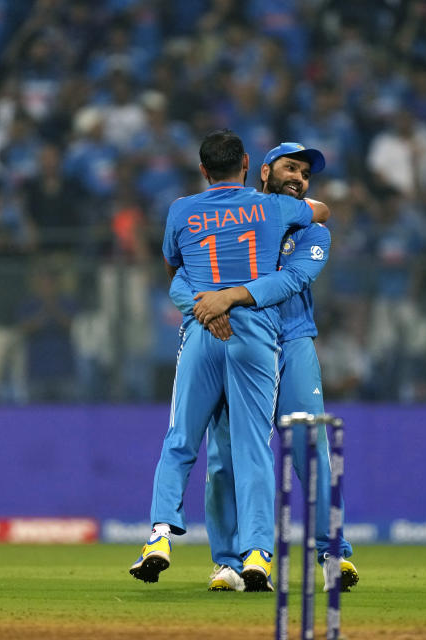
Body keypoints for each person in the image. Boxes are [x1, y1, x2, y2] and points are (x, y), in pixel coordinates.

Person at [130, 130, 330, 593]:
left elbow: (173, 271)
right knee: (252, 446)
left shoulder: (181, 209)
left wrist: (207, 305)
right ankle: (257, 551)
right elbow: (319, 213)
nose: (298, 177)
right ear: (248, 164)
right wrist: (231, 301)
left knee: (181, 439)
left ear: (202, 170)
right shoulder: (272, 209)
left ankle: (159, 537)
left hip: (202, 329)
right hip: (256, 331)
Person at [173, 143, 358, 592]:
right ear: (263, 172)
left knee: (309, 446)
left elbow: (292, 279)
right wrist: (207, 306)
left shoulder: (311, 229)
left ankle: (332, 552)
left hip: (292, 341)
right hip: (235, 339)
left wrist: (229, 296)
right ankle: (231, 563)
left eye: (305, 173)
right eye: (290, 168)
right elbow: (189, 270)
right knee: (224, 458)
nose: (299, 177)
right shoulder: (243, 216)